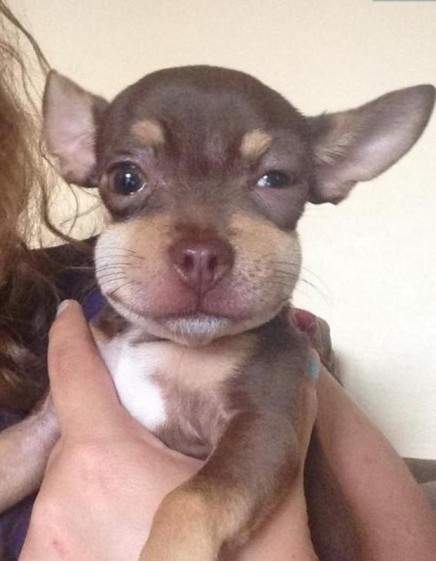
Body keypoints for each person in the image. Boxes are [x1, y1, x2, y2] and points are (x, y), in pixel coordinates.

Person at [0, 2, 434, 560]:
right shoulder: (97, 327)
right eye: (130, 179)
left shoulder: (79, 295)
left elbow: (272, 439)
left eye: (272, 179)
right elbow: (36, 440)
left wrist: (189, 527)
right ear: (78, 150)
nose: (200, 251)